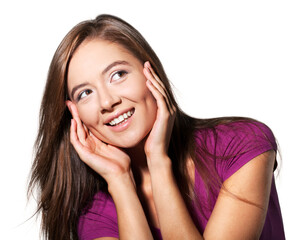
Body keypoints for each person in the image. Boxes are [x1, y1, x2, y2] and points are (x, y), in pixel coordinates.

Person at [28, 14, 285, 240]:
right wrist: (120, 181)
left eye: (118, 75)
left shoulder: (241, 145)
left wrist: (158, 161)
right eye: (85, 93)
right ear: (74, 114)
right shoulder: (96, 213)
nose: (107, 101)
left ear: (150, 72)